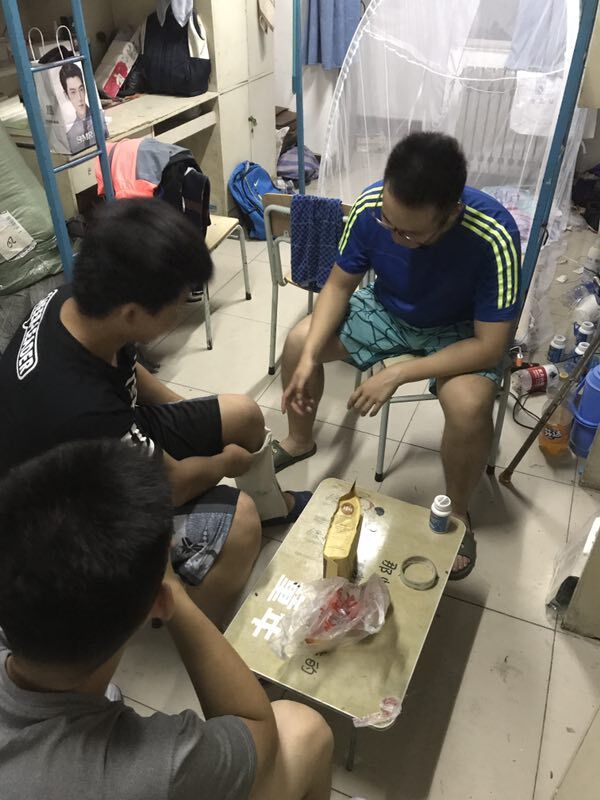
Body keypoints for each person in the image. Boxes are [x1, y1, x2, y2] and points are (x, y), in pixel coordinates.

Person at [0, 198, 308, 628]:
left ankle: (273, 504)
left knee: (242, 415)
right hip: (71, 515)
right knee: (241, 523)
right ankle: (197, 628)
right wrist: (225, 462)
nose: (180, 312)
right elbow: (173, 486)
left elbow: (127, 367)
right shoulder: (78, 405)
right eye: (177, 305)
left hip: (103, 441)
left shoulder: (78, 301)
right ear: (132, 313)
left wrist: (189, 416)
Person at [0, 439, 334, 800]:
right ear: (156, 604)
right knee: (303, 730)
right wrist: (175, 593)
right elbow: (258, 732)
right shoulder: (153, 769)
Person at [274, 132, 521, 580]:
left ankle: (457, 513)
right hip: (388, 309)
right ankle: (299, 440)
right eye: (388, 222)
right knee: (299, 342)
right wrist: (310, 355)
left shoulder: (493, 234)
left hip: (459, 330)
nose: (394, 235)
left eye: (410, 233)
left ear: (452, 214)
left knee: (468, 405)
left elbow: (490, 345)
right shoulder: (372, 205)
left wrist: (399, 374)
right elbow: (338, 286)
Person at [59, 63, 95, 154]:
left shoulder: (100, 120)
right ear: (66, 95)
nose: (79, 97)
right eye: (73, 92)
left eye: (81, 89)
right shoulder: (71, 135)